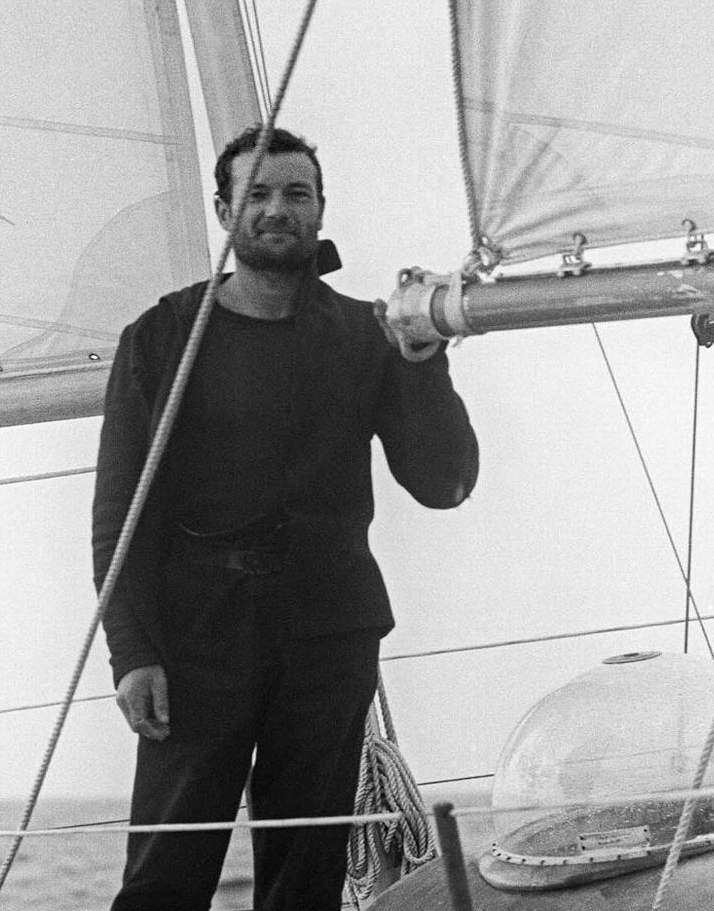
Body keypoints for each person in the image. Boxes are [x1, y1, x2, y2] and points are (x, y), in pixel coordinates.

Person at [92, 126, 479, 911]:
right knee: (164, 877)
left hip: (329, 637)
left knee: (305, 882)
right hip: (196, 642)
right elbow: (118, 517)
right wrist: (132, 653)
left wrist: (423, 360)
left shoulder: (366, 335)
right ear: (223, 208)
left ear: (320, 209)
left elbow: (445, 482)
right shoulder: (162, 338)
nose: (277, 209)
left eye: (295, 194)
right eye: (258, 194)